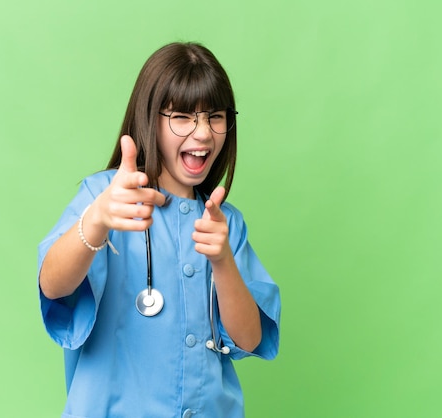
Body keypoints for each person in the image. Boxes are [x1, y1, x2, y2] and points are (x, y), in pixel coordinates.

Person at [37, 42, 281, 418]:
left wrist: (223, 261)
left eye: (215, 116)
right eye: (182, 116)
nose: (203, 133)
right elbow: (53, 285)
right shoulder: (106, 198)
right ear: (150, 118)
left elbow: (249, 339)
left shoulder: (226, 223)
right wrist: (98, 219)